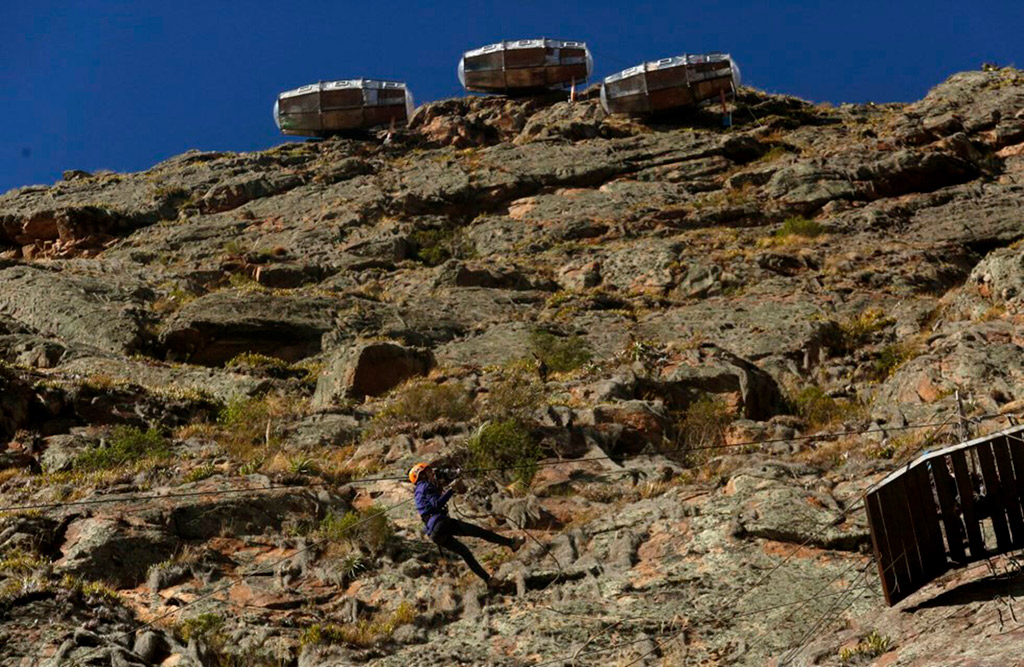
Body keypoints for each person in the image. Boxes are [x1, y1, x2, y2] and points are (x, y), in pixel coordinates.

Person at [409, 462, 524, 585]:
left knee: (466, 554)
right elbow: (437, 504)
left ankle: (489, 580)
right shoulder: (426, 486)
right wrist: (451, 490)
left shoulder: (419, 491)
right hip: (440, 523)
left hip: (434, 533)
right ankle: (512, 543)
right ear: (421, 475)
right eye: (427, 471)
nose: (431, 473)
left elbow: (431, 502)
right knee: (481, 532)